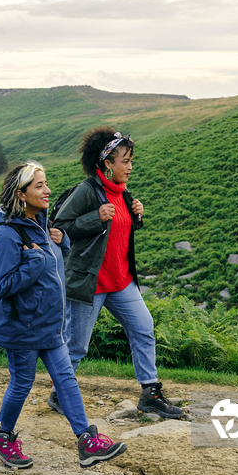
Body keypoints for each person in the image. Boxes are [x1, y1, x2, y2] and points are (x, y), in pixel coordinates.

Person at [0, 160, 127, 469]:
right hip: (22, 326)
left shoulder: (38, 223)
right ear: (21, 195)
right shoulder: (5, 235)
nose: (48, 190)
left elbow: (52, 267)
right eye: (39, 186)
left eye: (46, 184)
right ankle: (2, 438)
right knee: (22, 383)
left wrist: (62, 244)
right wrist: (34, 262)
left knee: (66, 378)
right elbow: (0, 285)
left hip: (49, 324)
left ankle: (87, 442)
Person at [50, 127, 184, 419]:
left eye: (131, 160)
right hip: (91, 283)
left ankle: (150, 393)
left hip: (121, 281)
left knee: (143, 329)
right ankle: (59, 393)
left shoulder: (124, 194)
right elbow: (59, 227)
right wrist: (93, 218)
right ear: (108, 163)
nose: (130, 166)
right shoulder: (87, 191)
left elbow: (117, 233)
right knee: (76, 346)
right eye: (125, 160)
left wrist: (136, 216)